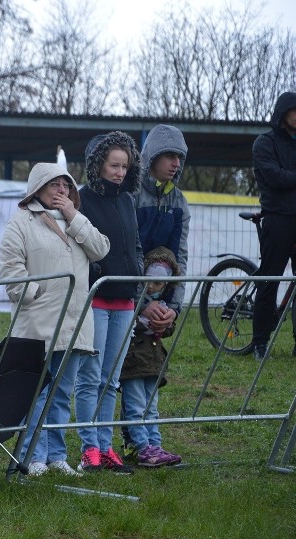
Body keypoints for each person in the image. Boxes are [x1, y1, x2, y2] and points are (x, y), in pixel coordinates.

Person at [0, 162, 110, 478]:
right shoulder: (21, 222)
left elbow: (101, 249)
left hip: (74, 322)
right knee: (38, 392)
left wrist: (75, 216)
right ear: (37, 188)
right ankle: (33, 455)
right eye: (54, 184)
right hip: (39, 324)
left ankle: (57, 456)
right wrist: (38, 295)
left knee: (62, 391)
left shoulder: (77, 222)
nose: (61, 190)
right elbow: (10, 270)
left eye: (66, 185)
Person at [74, 131, 142, 475]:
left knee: (111, 380)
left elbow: (135, 244)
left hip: (126, 302)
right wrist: (96, 269)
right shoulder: (82, 199)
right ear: (98, 164)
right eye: (114, 165)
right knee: (90, 378)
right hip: (97, 299)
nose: (120, 172)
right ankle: (89, 450)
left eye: (124, 166)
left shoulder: (128, 200)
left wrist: (139, 271)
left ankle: (106, 446)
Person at [122, 124, 191, 456]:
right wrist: (141, 303)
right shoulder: (132, 195)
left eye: (180, 156)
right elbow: (128, 251)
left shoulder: (179, 201)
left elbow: (181, 257)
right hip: (128, 301)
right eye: (169, 155)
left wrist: (173, 307)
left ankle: (153, 443)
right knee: (134, 371)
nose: (175, 163)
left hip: (161, 306)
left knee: (150, 370)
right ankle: (137, 442)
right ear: (151, 156)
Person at [119, 246, 182, 467]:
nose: (152, 287)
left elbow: (168, 330)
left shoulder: (163, 305)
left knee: (151, 406)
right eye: (149, 281)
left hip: (153, 362)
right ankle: (142, 446)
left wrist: (166, 324)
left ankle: (155, 445)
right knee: (135, 406)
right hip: (133, 360)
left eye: (159, 284)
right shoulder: (131, 304)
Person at [251, 91, 296, 361]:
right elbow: (274, 178)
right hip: (277, 218)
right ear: (284, 113)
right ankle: (260, 342)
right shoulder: (264, 143)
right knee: (269, 279)